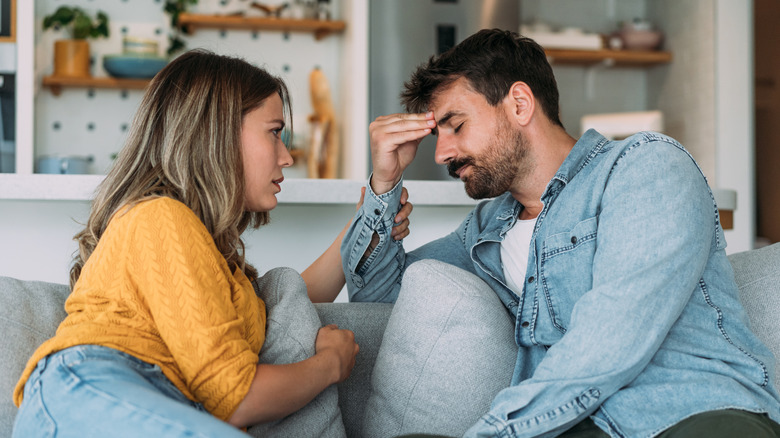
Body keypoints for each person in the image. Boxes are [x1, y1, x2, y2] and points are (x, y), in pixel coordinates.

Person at [341, 28, 780, 437]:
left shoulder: (645, 167)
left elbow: (610, 338)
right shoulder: (486, 229)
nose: (441, 154)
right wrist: (384, 184)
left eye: (456, 125)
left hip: (694, 413)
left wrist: (494, 432)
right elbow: (380, 298)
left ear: (519, 104)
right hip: (577, 425)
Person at [11, 49, 412, 437]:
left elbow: (290, 302)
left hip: (137, 398)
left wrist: (370, 216)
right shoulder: (159, 217)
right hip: (92, 390)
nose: (287, 157)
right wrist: (330, 365)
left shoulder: (212, 261)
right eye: (274, 133)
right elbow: (236, 399)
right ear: (217, 133)